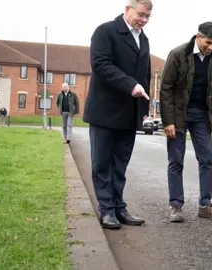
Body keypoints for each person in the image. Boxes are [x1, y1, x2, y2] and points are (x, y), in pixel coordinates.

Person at [83, 0, 152, 229]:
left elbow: (146, 76)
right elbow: (100, 65)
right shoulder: (105, 31)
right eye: (140, 15)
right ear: (127, 9)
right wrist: (130, 84)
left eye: (147, 17)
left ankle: (118, 207)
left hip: (129, 114)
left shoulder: (143, 39)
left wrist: (143, 109)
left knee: (120, 165)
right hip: (105, 111)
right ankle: (107, 209)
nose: (143, 20)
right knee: (102, 163)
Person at [160, 22, 212, 222]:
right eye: (209, 42)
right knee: (176, 160)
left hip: (201, 116)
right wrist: (168, 120)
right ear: (199, 36)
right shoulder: (178, 54)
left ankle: (205, 205)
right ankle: (175, 207)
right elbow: (166, 88)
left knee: (207, 159)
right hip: (179, 115)